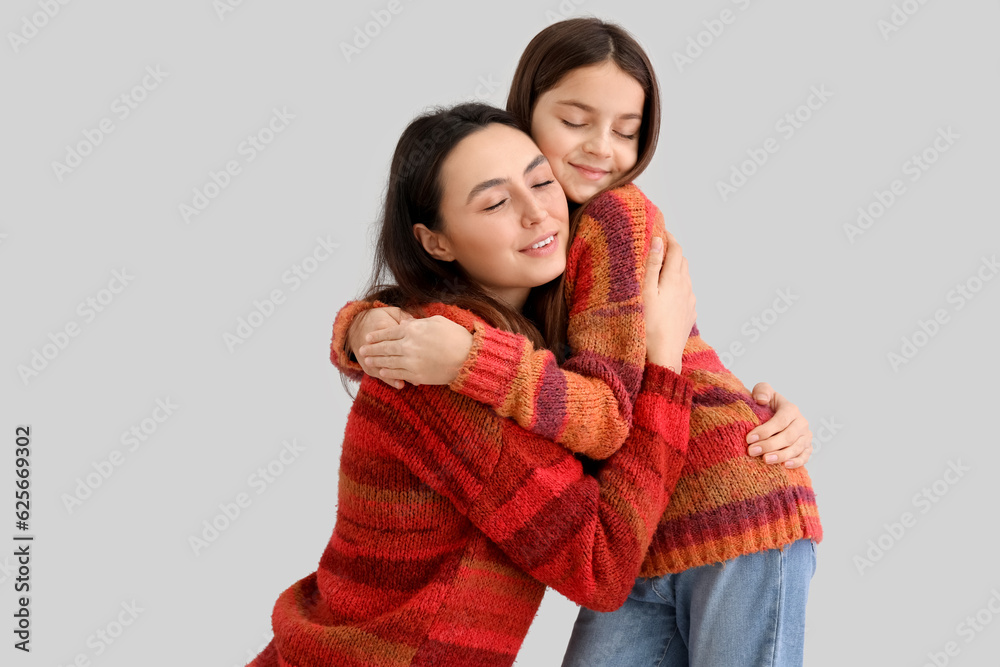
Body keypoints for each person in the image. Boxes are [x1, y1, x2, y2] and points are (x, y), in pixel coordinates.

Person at [335, 18, 822, 667]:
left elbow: (611, 410)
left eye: (627, 130)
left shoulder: (613, 219)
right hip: (633, 526)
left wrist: (466, 360)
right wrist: (360, 327)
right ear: (525, 109)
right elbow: (434, 308)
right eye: (575, 120)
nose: (602, 150)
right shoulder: (534, 233)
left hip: (730, 501)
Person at [248, 102, 701, 667]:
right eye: (495, 202)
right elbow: (599, 565)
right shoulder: (445, 383)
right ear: (436, 242)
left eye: (542, 181)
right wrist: (663, 368)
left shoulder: (501, 352)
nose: (538, 212)